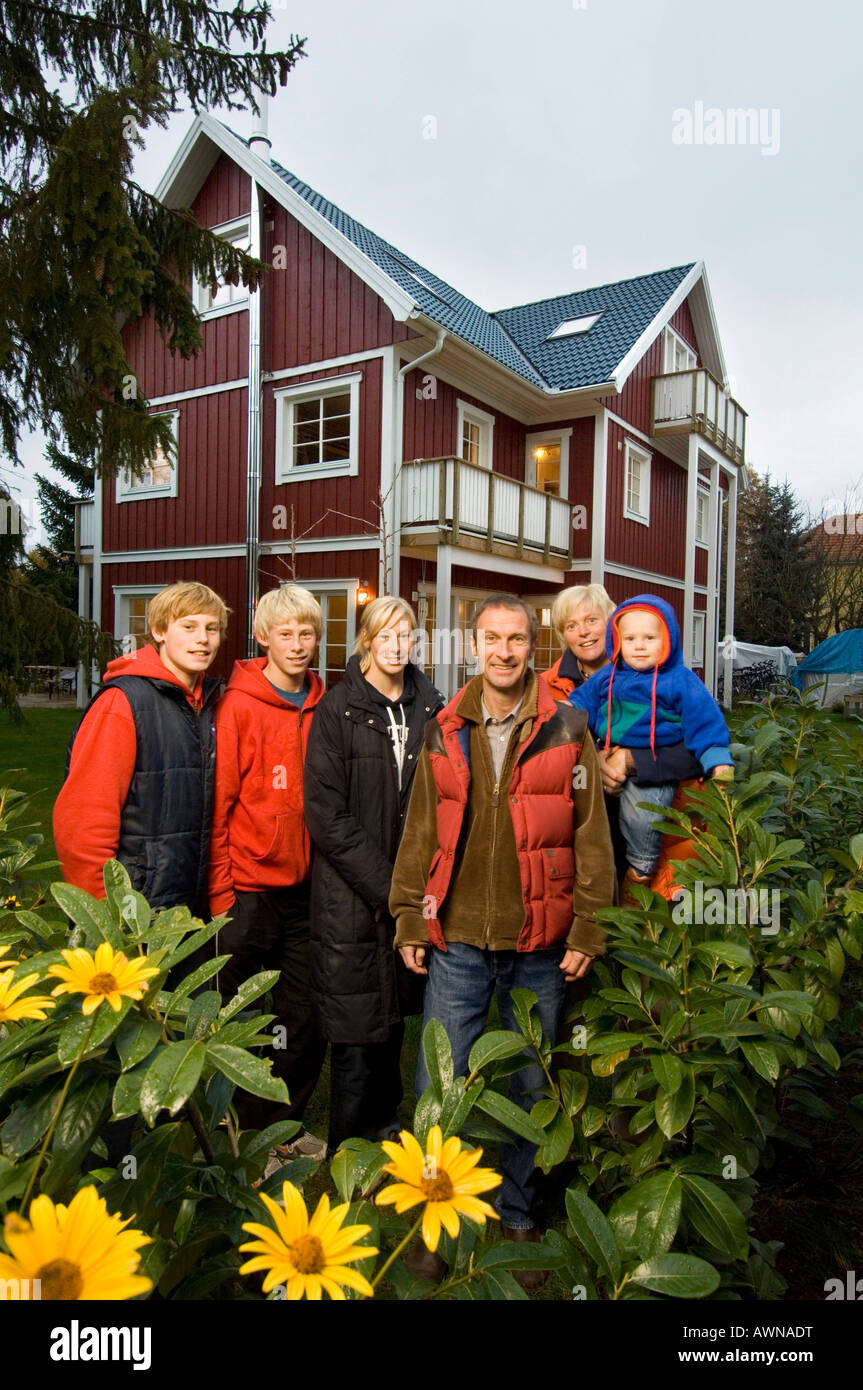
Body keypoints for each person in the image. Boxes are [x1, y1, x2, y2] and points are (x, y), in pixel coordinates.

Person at [390, 594, 616, 1288]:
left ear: (532, 646)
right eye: (491, 638)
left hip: (539, 943)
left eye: (516, 639)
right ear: (473, 644)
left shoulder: (566, 726)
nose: (503, 651)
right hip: (456, 937)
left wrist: (588, 924)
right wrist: (407, 912)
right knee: (439, 1082)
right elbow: (420, 827)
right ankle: (435, 1218)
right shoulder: (442, 727)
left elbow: (591, 835)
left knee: (529, 1082)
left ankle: (518, 1210)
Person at [303, 596, 443, 1157]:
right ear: (364, 640)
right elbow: (325, 815)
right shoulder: (336, 711)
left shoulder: (431, 706)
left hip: (412, 890)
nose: (395, 644)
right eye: (384, 634)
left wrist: (415, 887)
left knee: (395, 1020)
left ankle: (387, 1139)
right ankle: (350, 1151)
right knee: (357, 1024)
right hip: (351, 893)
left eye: (405, 634)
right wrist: (391, 888)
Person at [208, 585, 328, 1165]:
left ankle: (282, 1126)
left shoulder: (324, 701)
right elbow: (220, 800)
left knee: (301, 1015)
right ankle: (226, 1131)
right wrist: (221, 889)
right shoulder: (239, 704)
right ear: (263, 638)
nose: (299, 645)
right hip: (249, 888)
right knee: (229, 1014)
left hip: (308, 891)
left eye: (307, 633)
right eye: (286, 634)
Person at [54, 580, 228, 918]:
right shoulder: (123, 703)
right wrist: (104, 915)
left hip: (189, 907)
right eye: (189, 627)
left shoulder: (210, 704)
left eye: (213, 628)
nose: (203, 639)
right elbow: (83, 823)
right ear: (160, 631)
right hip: (134, 910)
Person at [569, 594, 733, 894]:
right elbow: (579, 704)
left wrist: (718, 759)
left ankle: (641, 869)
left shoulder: (680, 680)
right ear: (617, 639)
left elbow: (706, 722)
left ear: (668, 639)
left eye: (649, 638)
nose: (639, 645)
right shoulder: (609, 675)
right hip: (604, 765)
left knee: (643, 816)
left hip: (655, 764)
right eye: (630, 638)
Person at [539, 582, 615, 699]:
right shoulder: (543, 687)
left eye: (591, 620)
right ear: (563, 635)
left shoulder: (641, 678)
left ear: (610, 623)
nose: (583, 632)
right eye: (571, 626)